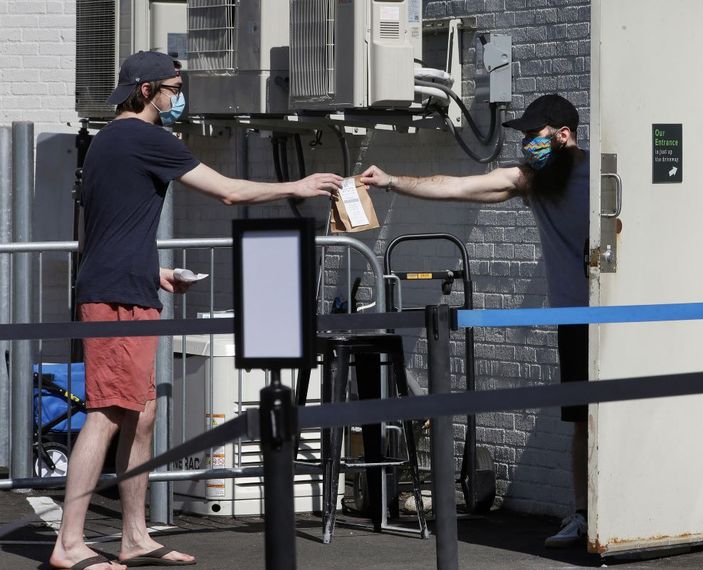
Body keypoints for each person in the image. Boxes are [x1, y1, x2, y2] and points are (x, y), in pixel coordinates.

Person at [50, 50, 342, 570]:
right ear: (146, 91)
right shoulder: (145, 137)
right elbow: (229, 192)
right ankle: (69, 543)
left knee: (140, 415)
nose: (178, 95)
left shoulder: (108, 141)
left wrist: (152, 272)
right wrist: (297, 186)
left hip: (125, 286)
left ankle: (135, 537)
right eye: (172, 86)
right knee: (107, 415)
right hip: (116, 297)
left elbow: (111, 225)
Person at [360, 94, 590, 549]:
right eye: (523, 137)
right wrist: (391, 181)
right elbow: (456, 186)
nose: (527, 144)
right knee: (584, 421)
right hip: (575, 319)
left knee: (629, 411)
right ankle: (583, 515)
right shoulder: (532, 181)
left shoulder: (604, 175)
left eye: (534, 135)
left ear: (563, 135)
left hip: (625, 314)